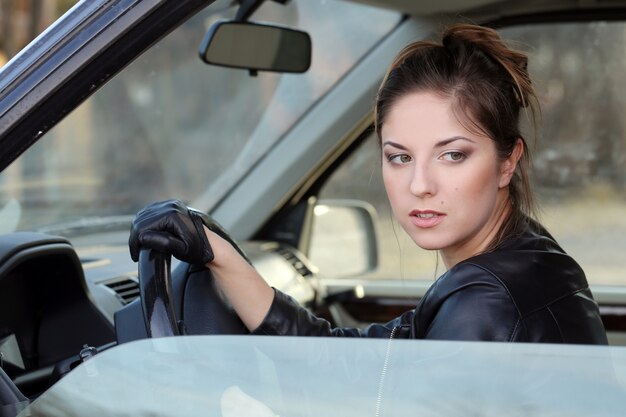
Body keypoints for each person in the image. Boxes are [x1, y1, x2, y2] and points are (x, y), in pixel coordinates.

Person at [128, 24, 607, 344]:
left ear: (507, 163)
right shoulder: (528, 258)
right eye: (399, 157)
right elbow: (365, 364)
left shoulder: (487, 300)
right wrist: (224, 258)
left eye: (453, 155)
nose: (419, 184)